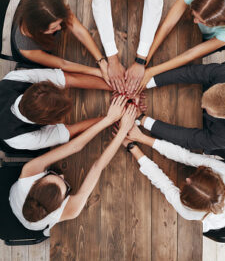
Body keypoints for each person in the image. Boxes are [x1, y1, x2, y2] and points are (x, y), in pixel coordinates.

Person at [9, 96, 137, 236]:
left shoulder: (29, 171)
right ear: (61, 204)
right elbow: (97, 167)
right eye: (66, 186)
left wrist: (109, 119)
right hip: (33, 226)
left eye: (53, 175)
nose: (63, 175)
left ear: (35, 182)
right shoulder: (71, 210)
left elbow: (74, 147)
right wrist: (123, 131)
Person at [116, 124, 225, 233]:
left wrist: (132, 147)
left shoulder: (188, 212)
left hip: (220, 221)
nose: (188, 179)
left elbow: (163, 183)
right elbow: (185, 156)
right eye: (193, 178)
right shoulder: (222, 170)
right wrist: (141, 137)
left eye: (188, 183)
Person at [137, 0, 225, 92]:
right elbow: (167, 25)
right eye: (194, 15)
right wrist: (143, 61)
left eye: (202, 21)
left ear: (217, 22)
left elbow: (190, 54)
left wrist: (151, 71)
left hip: (207, 40)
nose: (195, 21)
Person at [137, 61, 225, 160]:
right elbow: (192, 72)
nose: (201, 105)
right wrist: (148, 82)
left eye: (205, 107)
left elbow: (189, 139)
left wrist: (143, 120)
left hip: (218, 133)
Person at [12, 0, 110, 85]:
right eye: (54, 27)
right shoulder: (27, 48)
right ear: (39, 29)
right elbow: (62, 64)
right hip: (36, 58)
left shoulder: (51, 4)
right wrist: (97, 72)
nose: (59, 28)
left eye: (59, 23)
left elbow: (79, 31)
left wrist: (101, 61)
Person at [0, 67, 111, 151]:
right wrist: (110, 118)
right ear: (51, 122)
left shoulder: (15, 78)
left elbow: (71, 79)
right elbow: (73, 130)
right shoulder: (20, 139)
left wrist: (116, 86)